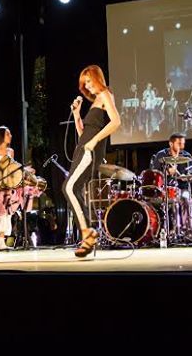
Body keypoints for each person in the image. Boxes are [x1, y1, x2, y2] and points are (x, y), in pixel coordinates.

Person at [64, 65, 121, 257]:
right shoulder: (96, 100)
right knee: (71, 188)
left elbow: (116, 122)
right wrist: (77, 114)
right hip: (83, 148)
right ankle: (88, 232)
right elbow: (83, 134)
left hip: (90, 150)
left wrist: (94, 141)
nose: (87, 86)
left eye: (89, 81)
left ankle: (88, 232)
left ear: (97, 78)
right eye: (84, 83)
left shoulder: (105, 94)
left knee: (70, 188)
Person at [150, 133, 192, 234]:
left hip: (182, 189)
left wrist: (186, 178)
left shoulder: (187, 156)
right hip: (165, 190)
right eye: (179, 143)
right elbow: (154, 174)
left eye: (183, 144)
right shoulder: (161, 155)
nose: (182, 146)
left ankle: (186, 231)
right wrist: (167, 172)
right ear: (171, 144)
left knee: (186, 198)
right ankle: (162, 231)